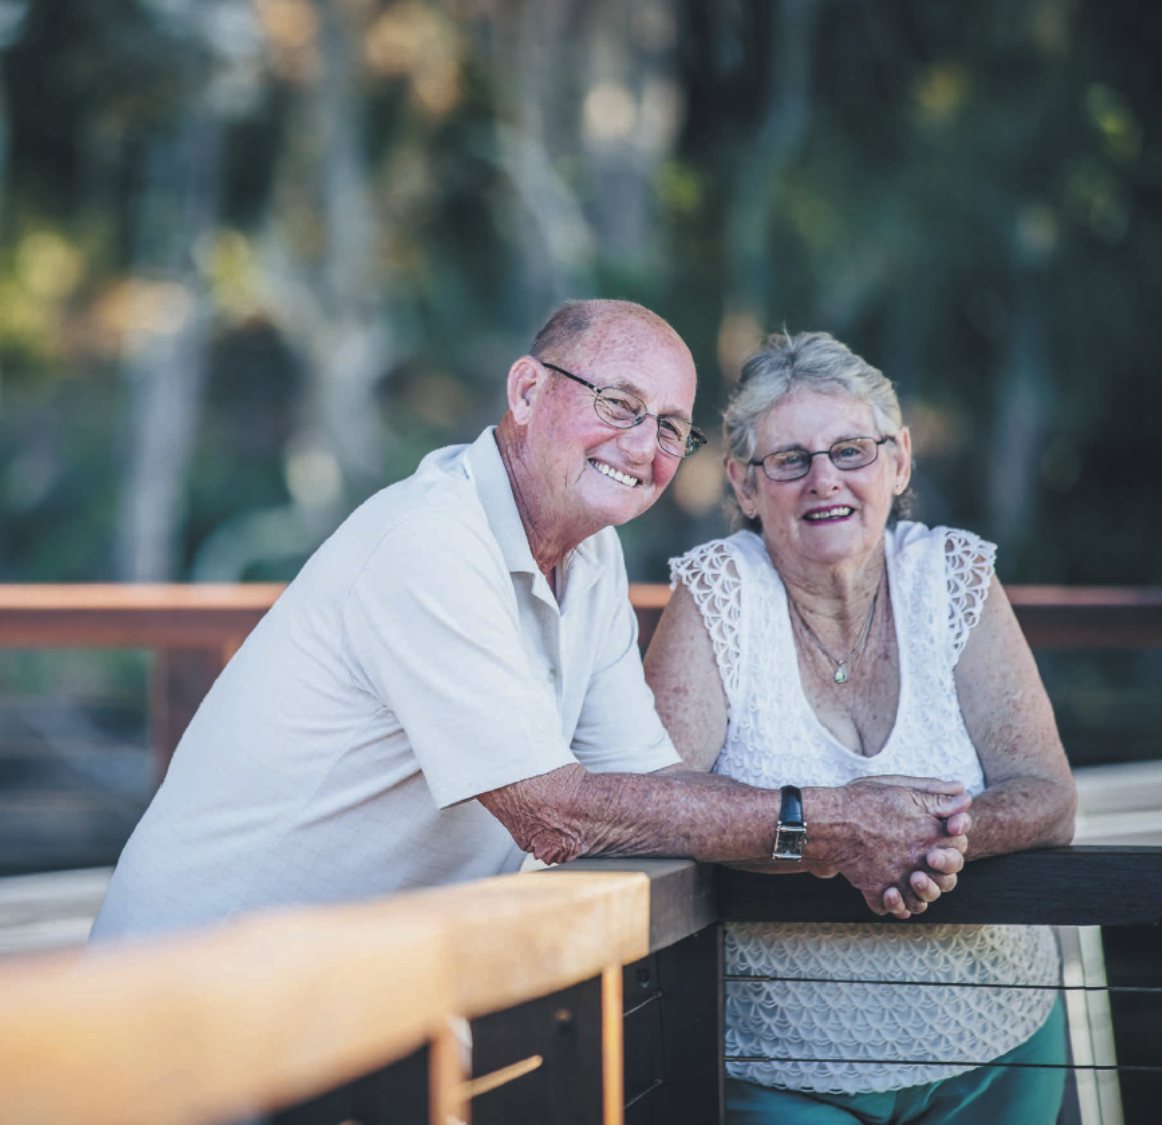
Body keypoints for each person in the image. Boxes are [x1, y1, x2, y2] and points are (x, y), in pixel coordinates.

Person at [91, 303, 970, 945]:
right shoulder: (429, 541)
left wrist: (864, 836)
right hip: (184, 988)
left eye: (671, 427)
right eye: (618, 404)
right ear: (525, 390)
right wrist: (835, 824)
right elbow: (554, 816)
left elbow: (654, 788)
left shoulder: (589, 558)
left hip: (336, 988)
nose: (643, 446)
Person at [644, 331, 1078, 1124]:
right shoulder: (717, 592)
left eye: (851, 450)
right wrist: (840, 835)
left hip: (997, 1040)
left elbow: (1048, 794)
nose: (825, 480)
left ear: (899, 461)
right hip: (785, 1066)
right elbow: (660, 804)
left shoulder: (951, 575)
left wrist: (923, 838)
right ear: (744, 484)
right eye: (791, 460)